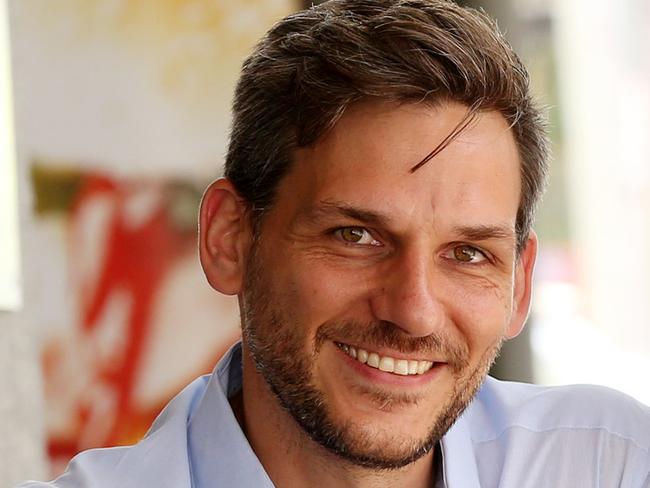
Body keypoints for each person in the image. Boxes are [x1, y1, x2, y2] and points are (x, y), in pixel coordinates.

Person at [20, 0, 650, 487]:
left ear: (519, 283)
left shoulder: (607, 463)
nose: (413, 309)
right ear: (228, 238)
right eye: (356, 236)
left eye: (468, 254)